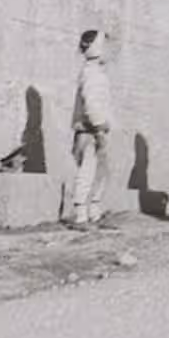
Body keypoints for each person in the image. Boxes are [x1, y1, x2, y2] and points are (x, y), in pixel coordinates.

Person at [68, 28, 114, 229]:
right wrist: (98, 129)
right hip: (90, 132)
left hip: (97, 130)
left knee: (100, 172)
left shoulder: (96, 73)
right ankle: (80, 216)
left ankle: (94, 213)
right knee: (87, 171)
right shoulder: (91, 74)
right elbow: (92, 105)